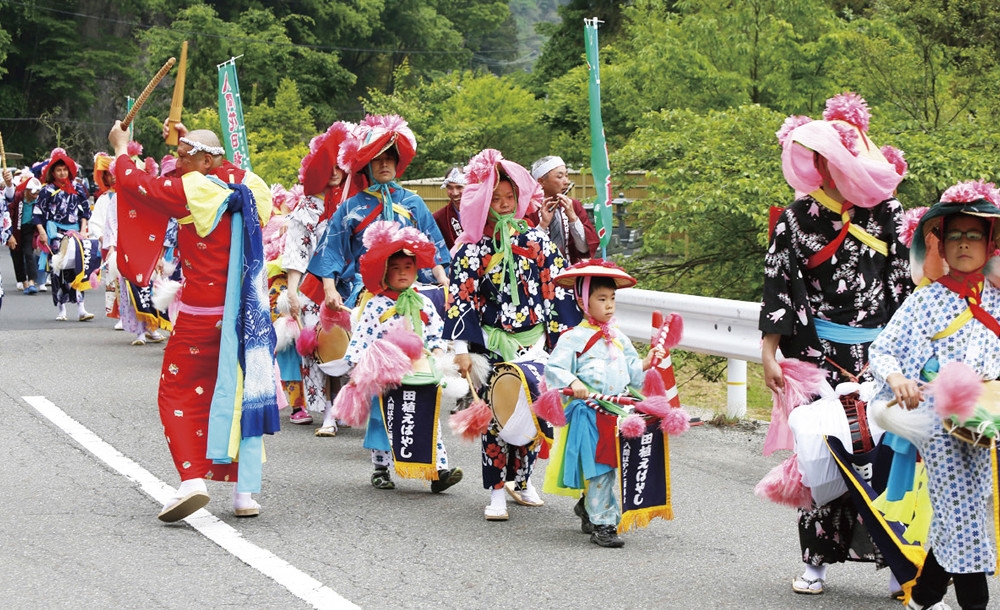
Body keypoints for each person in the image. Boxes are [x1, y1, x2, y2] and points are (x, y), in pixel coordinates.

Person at [759, 92, 912, 595]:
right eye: (823, 158)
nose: (832, 168)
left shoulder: (887, 214)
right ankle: (815, 563)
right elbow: (779, 286)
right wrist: (770, 353)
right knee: (821, 454)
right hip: (818, 355)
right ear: (816, 161)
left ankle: (898, 562)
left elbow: (904, 286)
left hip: (882, 355)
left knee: (888, 454)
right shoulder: (795, 219)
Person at [108, 121, 278, 522]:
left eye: (185, 157)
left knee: (177, 392)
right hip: (249, 317)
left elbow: (136, 182)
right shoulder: (253, 187)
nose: (176, 163)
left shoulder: (192, 189)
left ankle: (191, 480)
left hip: (203, 316)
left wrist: (119, 148)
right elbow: (218, 168)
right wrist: (192, 142)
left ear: (204, 160)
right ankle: (244, 494)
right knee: (241, 395)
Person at [869, 181, 1000, 610]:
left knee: (963, 516)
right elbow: (883, 349)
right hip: (945, 429)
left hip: (994, 427)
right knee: (964, 519)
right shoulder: (923, 302)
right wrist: (898, 380)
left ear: (991, 242)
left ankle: (923, 596)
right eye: (955, 235)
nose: (964, 244)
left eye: (974, 235)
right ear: (939, 244)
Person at [445, 148, 582, 521]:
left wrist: (567, 342)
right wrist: (461, 348)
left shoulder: (539, 242)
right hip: (492, 343)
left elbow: (559, 288)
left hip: (535, 341)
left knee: (535, 414)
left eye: (510, 198)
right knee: (495, 418)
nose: (504, 205)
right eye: (497, 199)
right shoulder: (473, 248)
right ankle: (496, 494)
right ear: (485, 203)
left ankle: (521, 480)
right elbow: (462, 296)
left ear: (521, 199)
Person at [334, 220, 463, 492]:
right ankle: (381, 468)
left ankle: (437, 471)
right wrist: (359, 369)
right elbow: (363, 338)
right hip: (386, 374)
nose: (403, 273)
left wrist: (439, 351)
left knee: (427, 419)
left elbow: (435, 333)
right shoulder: (375, 304)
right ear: (384, 272)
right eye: (395, 269)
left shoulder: (424, 301)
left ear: (417, 270)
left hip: (420, 371)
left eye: (408, 268)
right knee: (384, 421)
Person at [543, 260, 662, 547]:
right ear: (584, 302)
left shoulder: (619, 337)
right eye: (601, 299)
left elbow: (632, 370)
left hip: (618, 412)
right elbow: (555, 370)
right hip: (590, 413)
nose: (609, 305)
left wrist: (647, 362)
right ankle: (604, 524)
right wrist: (573, 382)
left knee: (613, 465)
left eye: (612, 299)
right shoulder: (573, 338)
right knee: (601, 466)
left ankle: (588, 506)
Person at [307, 114, 450, 313]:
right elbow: (330, 250)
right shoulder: (350, 207)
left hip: (410, 286)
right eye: (378, 159)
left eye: (389, 159)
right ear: (367, 166)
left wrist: (443, 280)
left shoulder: (413, 202)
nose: (384, 165)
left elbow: (432, 246)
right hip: (365, 290)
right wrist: (329, 289)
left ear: (396, 163)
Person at [283, 121, 360, 433]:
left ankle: (344, 407)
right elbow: (296, 252)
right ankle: (328, 412)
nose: (333, 172)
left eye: (339, 165)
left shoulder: (356, 202)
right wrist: (291, 290)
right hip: (314, 289)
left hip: (352, 286)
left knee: (351, 349)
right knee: (323, 351)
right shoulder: (306, 210)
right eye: (327, 165)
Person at [32, 148, 94, 321]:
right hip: (55, 233)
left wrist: (83, 229)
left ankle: (81, 308)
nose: (62, 172)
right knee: (58, 269)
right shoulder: (46, 191)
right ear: (53, 172)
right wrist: (42, 233)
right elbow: (38, 213)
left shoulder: (78, 188)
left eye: (64, 169)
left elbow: (85, 211)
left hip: (75, 232)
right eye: (58, 169)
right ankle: (62, 309)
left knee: (79, 268)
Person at [526, 156, 599, 264]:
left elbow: (584, 249)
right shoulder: (529, 208)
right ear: (541, 181)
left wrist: (573, 218)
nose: (566, 181)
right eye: (560, 177)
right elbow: (524, 248)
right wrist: (543, 225)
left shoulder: (574, 206)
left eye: (566, 176)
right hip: (538, 273)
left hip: (569, 274)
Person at [5, 170, 42, 295]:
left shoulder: (37, 201)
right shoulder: (18, 197)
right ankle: (23, 281)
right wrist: (9, 234)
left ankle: (31, 281)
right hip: (15, 229)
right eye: (34, 193)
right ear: (27, 191)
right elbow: (8, 214)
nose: (36, 196)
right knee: (17, 255)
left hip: (29, 229)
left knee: (28, 253)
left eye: (37, 193)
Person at [433, 166, 465, 249]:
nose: (455, 193)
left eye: (459, 187)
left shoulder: (485, 213)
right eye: (450, 187)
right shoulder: (439, 218)